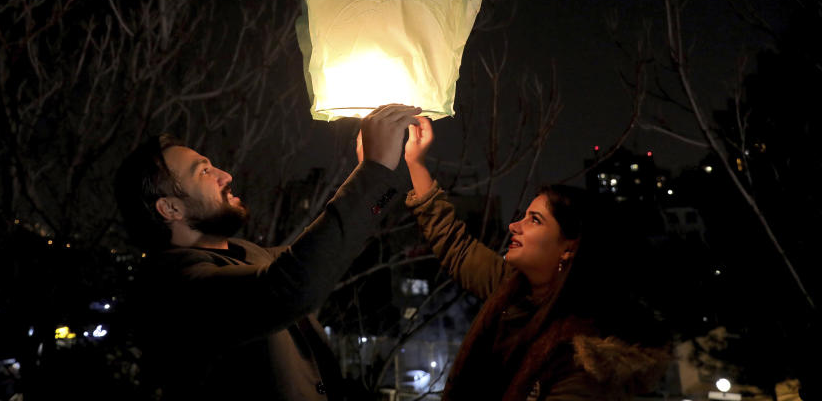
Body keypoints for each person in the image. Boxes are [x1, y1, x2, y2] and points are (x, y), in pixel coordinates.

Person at [114, 104, 421, 401]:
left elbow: (328, 250)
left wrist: (384, 168)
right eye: (204, 171)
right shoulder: (173, 289)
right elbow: (291, 285)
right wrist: (373, 171)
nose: (225, 175)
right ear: (170, 207)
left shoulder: (251, 256)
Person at [396, 116, 670, 400]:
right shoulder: (514, 292)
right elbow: (455, 245)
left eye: (535, 220)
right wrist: (415, 163)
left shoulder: (586, 356)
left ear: (569, 247)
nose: (514, 226)